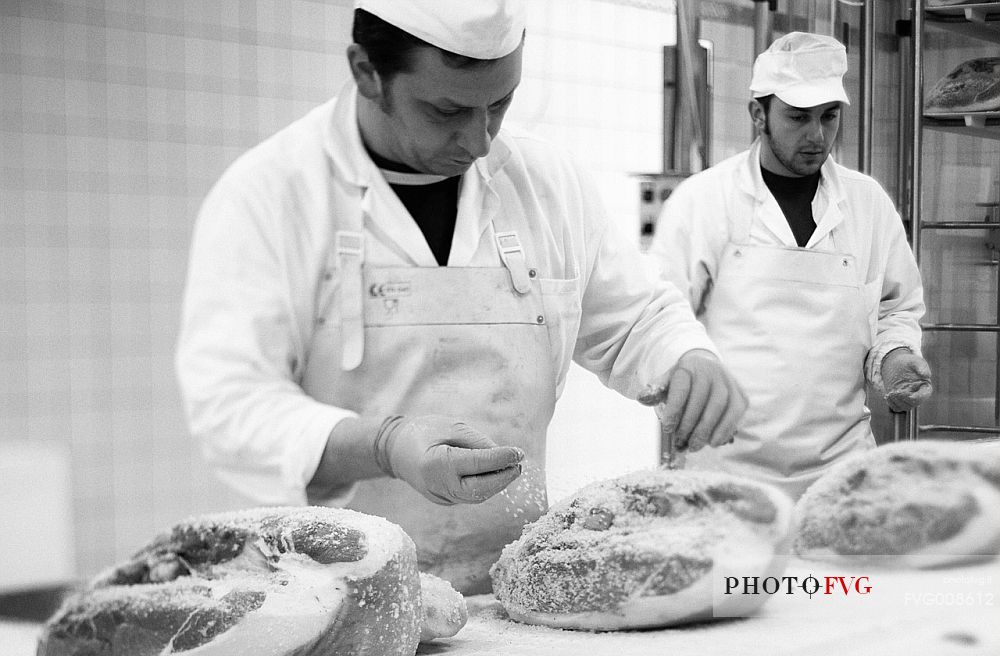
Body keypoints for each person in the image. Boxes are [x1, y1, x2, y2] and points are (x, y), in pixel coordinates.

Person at [175, 0, 747, 595]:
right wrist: (385, 444)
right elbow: (231, 405)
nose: (478, 141)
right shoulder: (273, 194)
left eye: (499, 104)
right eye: (446, 110)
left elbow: (634, 318)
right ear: (366, 71)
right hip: (334, 598)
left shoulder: (544, 180)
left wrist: (686, 358)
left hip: (520, 594)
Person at [648, 32, 933, 500]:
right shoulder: (705, 201)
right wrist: (676, 379)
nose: (817, 136)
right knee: (744, 581)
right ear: (758, 114)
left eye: (829, 116)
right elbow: (662, 318)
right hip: (724, 475)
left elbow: (896, 309)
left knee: (838, 580)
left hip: (842, 477)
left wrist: (895, 354)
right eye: (798, 117)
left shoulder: (867, 204)